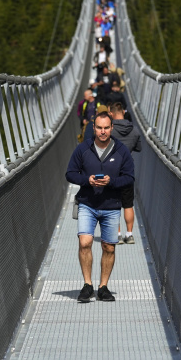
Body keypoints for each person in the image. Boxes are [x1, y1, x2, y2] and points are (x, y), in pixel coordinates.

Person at [65, 111, 134, 303]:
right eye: (99, 128)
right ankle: (87, 285)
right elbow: (70, 174)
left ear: (112, 128)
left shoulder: (122, 151)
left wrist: (111, 182)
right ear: (93, 128)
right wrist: (87, 180)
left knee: (109, 248)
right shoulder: (82, 149)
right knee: (85, 242)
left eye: (106, 128)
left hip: (111, 206)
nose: (103, 132)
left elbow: (129, 178)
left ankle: (103, 287)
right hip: (87, 203)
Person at [108, 101, 141, 244]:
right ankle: (130, 235)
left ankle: (118, 235)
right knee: (128, 204)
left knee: (114, 204)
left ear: (111, 113)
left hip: (113, 171)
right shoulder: (134, 130)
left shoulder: (110, 130)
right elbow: (138, 148)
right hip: (128, 171)